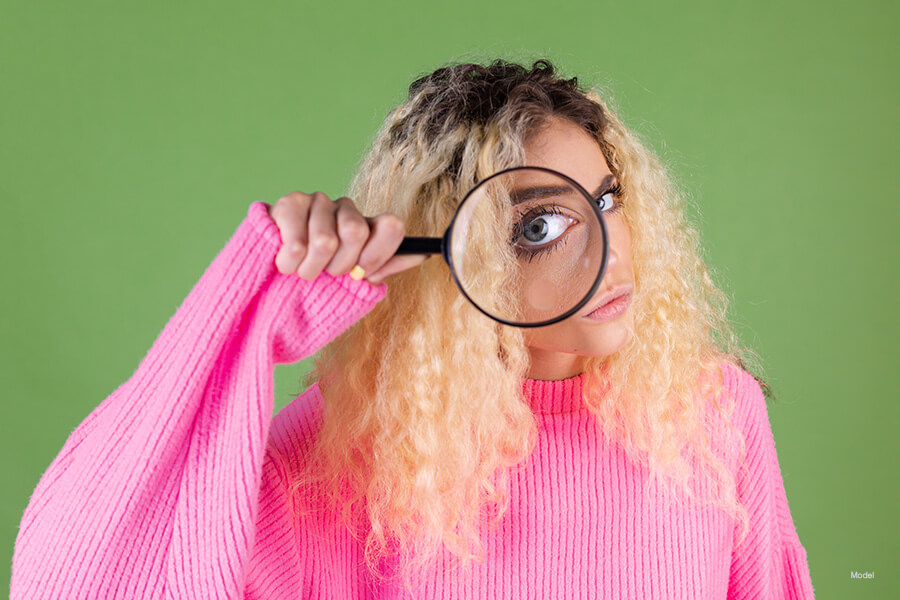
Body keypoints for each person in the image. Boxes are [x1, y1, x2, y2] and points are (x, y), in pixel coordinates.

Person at [11, 58, 816, 598]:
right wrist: (249, 315)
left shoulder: (715, 411)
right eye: (539, 227)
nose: (611, 255)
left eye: (606, 201)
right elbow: (81, 578)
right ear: (456, 257)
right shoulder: (357, 453)